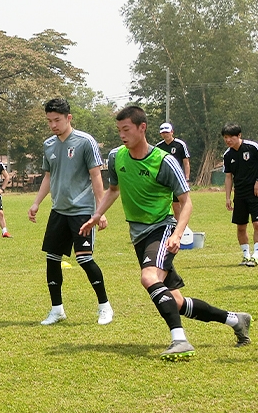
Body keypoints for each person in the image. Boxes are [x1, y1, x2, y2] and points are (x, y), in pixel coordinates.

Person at [79, 106, 251, 361]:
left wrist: (177, 235)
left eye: (126, 129)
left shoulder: (165, 161)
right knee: (176, 301)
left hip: (162, 228)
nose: (122, 135)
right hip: (138, 235)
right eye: (119, 130)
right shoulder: (116, 157)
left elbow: (187, 201)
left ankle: (179, 339)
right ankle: (235, 320)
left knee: (149, 277)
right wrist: (96, 215)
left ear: (142, 128)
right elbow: (114, 189)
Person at [28, 98, 114, 326]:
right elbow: (48, 176)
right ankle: (57, 310)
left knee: (85, 259)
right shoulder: (49, 145)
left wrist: (100, 210)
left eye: (57, 120)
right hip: (59, 211)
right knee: (52, 260)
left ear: (69, 118)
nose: (53, 125)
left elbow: (96, 175)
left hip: (83, 211)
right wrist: (37, 203)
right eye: (49, 121)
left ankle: (104, 306)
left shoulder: (86, 142)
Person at [221, 123, 258, 267]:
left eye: (231, 137)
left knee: (256, 224)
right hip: (240, 193)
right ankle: (246, 255)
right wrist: (228, 197)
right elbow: (228, 176)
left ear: (239, 136)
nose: (228, 140)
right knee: (241, 226)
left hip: (255, 192)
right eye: (225, 137)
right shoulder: (228, 155)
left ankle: (256, 255)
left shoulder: (252, 148)